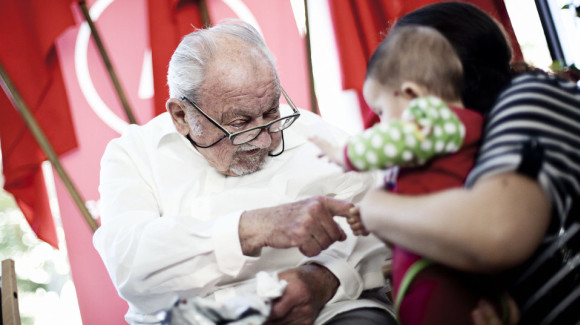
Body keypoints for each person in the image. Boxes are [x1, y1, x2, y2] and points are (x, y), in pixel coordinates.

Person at [93, 20, 396, 325]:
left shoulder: (312, 132)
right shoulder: (134, 154)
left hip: (324, 312)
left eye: (271, 112)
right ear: (181, 116)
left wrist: (322, 278)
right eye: (239, 123)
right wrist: (253, 228)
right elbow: (130, 266)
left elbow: (385, 221)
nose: (264, 139)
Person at [353, 2, 580, 325]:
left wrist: (375, 208)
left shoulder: (529, 97)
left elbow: (496, 235)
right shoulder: (470, 156)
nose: (382, 128)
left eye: (384, 109)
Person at [311, 25, 494, 325]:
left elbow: (394, 142)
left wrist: (345, 153)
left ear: (412, 94)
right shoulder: (441, 142)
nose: (380, 125)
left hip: (443, 271)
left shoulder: (444, 123)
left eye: (382, 111)